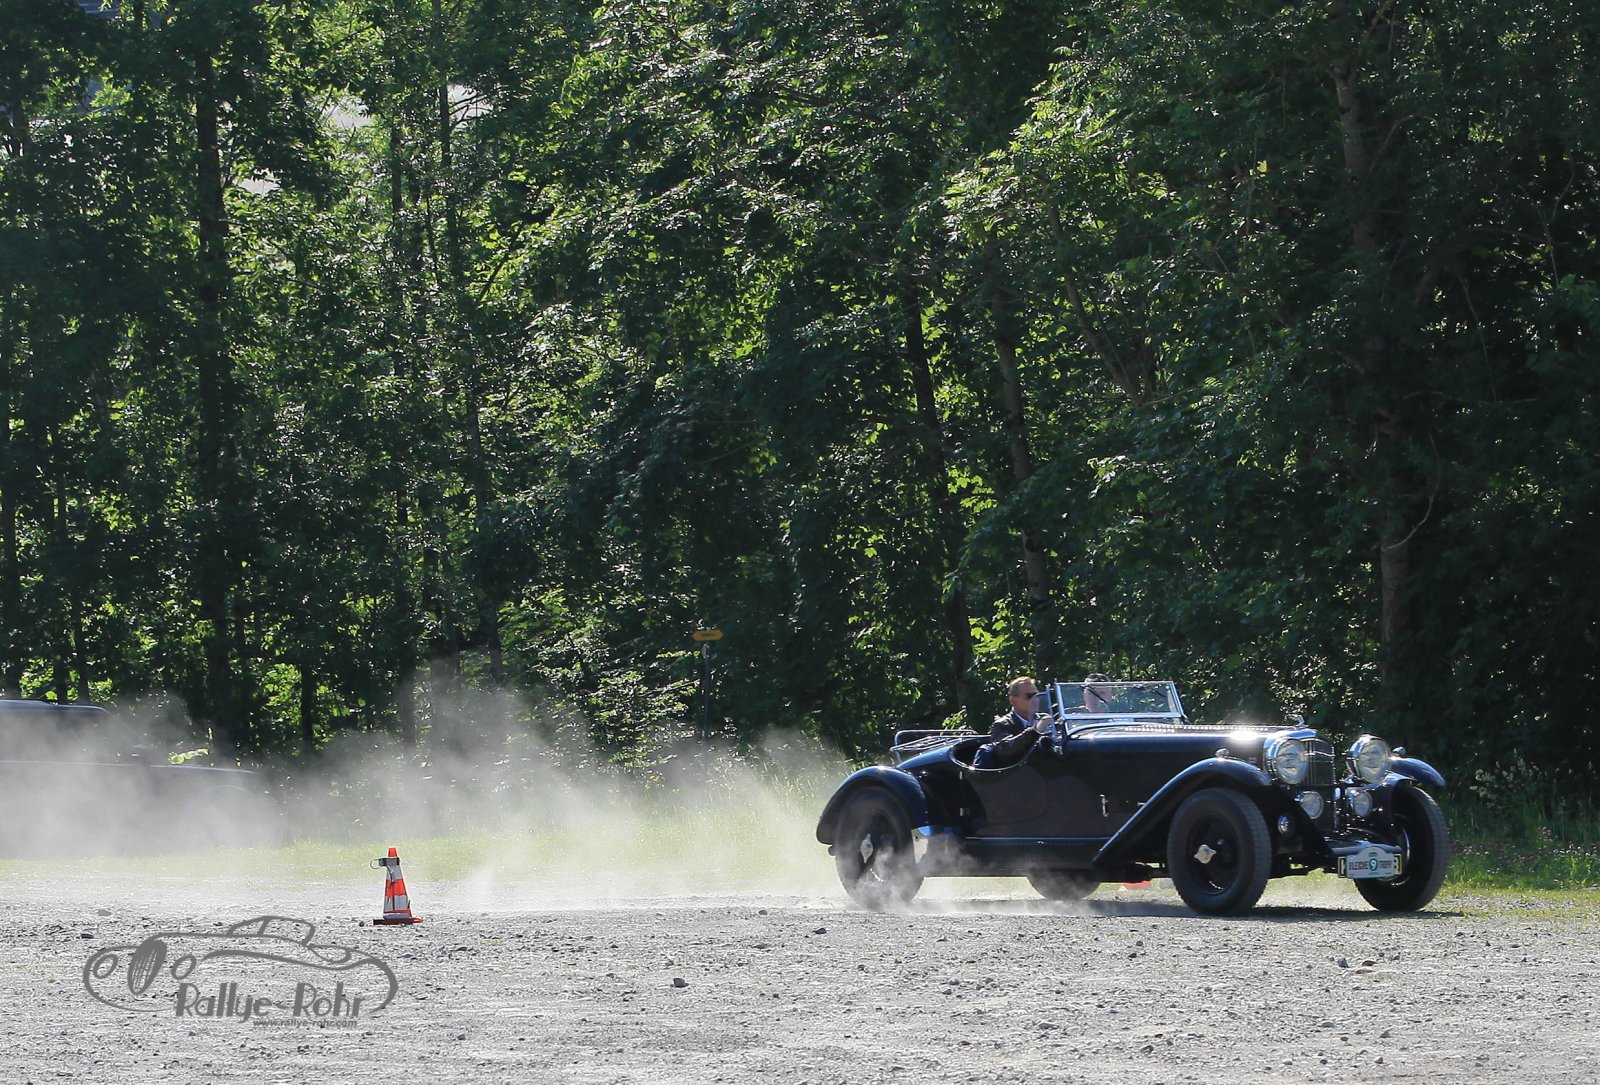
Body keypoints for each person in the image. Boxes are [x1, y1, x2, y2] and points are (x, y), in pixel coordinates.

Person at [973, 675, 1054, 770]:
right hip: (1019, 774)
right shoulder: (1002, 724)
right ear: (1013, 700)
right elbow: (1006, 750)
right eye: (1030, 696)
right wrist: (1035, 730)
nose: (1035, 700)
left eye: (1037, 696)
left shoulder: (1046, 720)